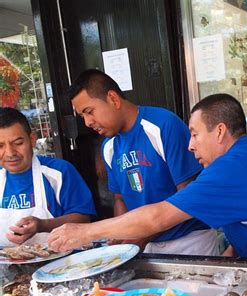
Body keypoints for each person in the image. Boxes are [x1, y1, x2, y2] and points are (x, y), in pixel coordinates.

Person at [49, 93, 247, 262]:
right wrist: (230, 253)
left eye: (194, 133)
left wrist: (84, 232)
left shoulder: (233, 168)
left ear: (219, 132)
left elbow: (157, 217)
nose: (190, 144)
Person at [68, 69, 219, 256]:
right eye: (82, 116)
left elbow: (188, 194)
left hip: (191, 241)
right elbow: (119, 198)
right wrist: (121, 234)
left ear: (113, 99)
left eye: (89, 112)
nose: (88, 122)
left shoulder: (163, 125)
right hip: (146, 247)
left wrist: (143, 234)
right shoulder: (109, 147)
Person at [0, 107, 95, 246]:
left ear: (32, 140)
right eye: (0, 146)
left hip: (60, 264)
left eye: (18, 143)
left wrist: (42, 225)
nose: (10, 153)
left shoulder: (59, 172)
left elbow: (84, 219)